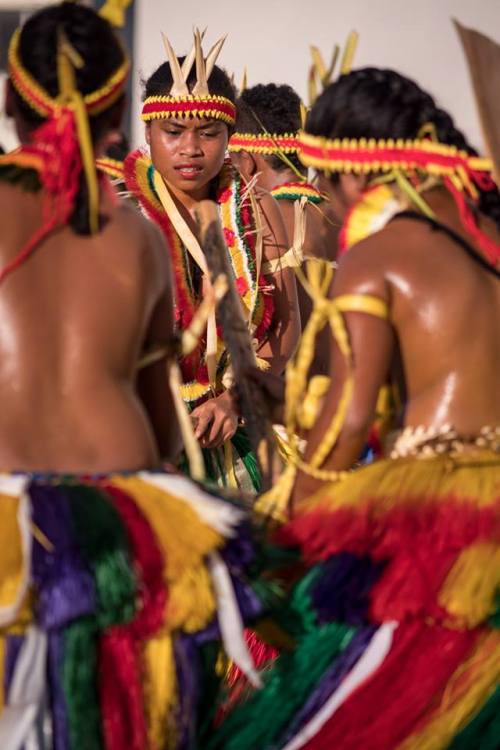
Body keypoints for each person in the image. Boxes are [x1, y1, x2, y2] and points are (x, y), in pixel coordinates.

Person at [209, 68, 500, 749]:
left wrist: (286, 540)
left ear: (351, 170)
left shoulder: (379, 256)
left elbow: (344, 429)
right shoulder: (489, 237)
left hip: (437, 520)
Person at [0, 4, 265, 747]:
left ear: (10, 106)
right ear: (123, 117)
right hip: (125, 513)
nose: (190, 149)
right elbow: (161, 430)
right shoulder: (136, 234)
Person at [125, 34, 300, 492]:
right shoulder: (119, 214)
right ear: (148, 134)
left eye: (208, 133)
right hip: (140, 437)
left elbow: (286, 325)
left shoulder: (260, 209)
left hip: (232, 432)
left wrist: (234, 400)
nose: (191, 149)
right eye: (174, 132)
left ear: (229, 136)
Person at [229, 83, 340, 377]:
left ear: (248, 161)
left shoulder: (258, 222)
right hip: (342, 404)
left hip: (284, 410)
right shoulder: (344, 218)